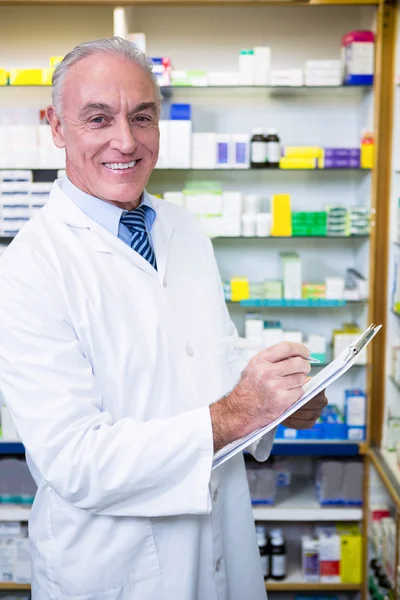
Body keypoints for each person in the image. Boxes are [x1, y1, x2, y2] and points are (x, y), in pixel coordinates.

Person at [0, 37, 327, 600]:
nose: (124, 141)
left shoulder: (183, 228)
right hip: (118, 569)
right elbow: (76, 460)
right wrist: (237, 413)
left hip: (221, 537)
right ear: (57, 128)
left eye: (142, 117)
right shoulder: (29, 267)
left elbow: (207, 351)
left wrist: (279, 400)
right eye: (97, 118)